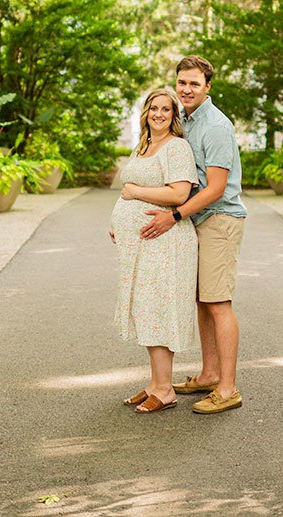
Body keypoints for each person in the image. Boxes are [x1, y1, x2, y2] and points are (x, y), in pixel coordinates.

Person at [140, 55, 247, 415]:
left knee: (218, 303)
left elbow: (215, 188)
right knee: (203, 300)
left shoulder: (216, 126)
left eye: (194, 84)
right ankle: (209, 374)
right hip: (198, 219)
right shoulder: (185, 119)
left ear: (208, 87)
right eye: (182, 83)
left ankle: (228, 388)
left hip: (219, 219)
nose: (186, 89)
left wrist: (173, 216)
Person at [110, 88, 200, 414]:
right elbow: (128, 191)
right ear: (146, 112)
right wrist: (117, 220)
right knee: (146, 309)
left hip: (167, 241)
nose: (159, 114)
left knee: (159, 309)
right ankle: (155, 383)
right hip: (143, 242)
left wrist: (134, 192)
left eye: (166, 109)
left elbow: (179, 193)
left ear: (174, 116)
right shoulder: (144, 145)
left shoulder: (176, 148)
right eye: (154, 108)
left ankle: (165, 390)